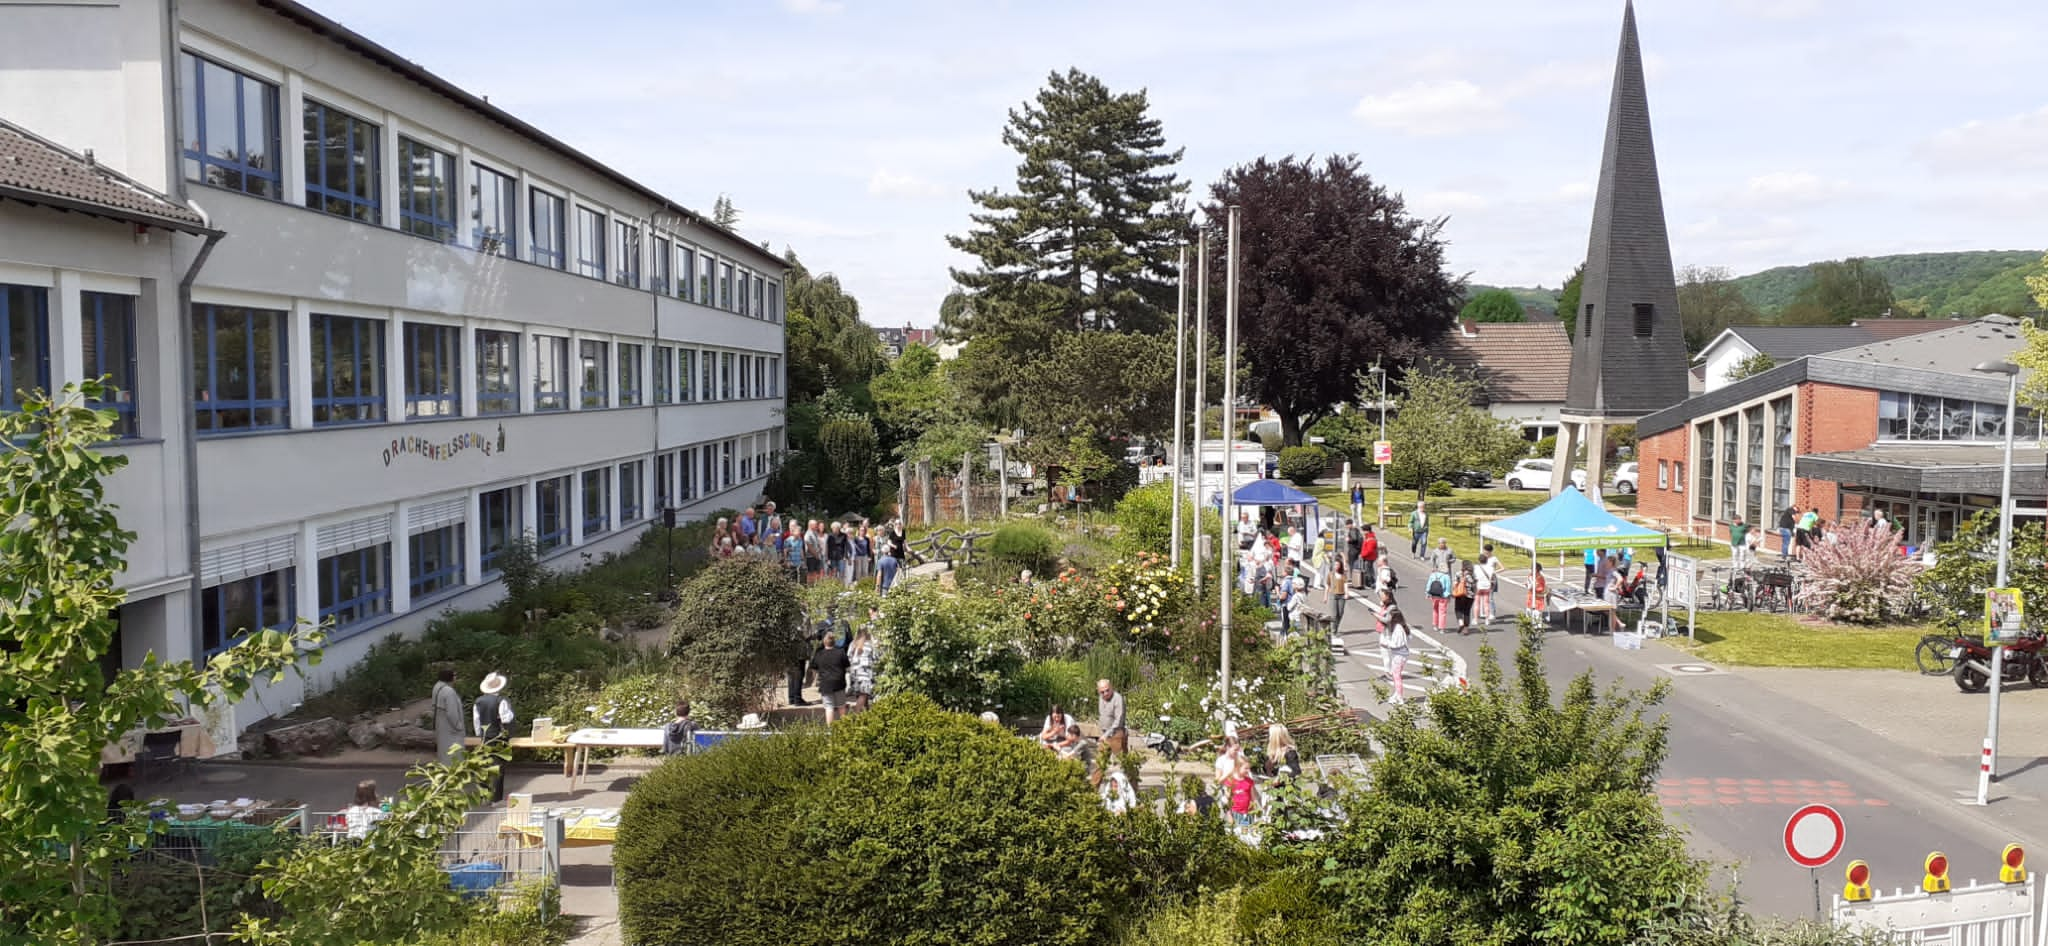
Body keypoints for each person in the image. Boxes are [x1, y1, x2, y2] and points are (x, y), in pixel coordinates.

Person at [473, 672, 514, 802]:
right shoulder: (500, 701)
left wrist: (479, 734)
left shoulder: (478, 702)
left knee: (484, 764)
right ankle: (496, 798)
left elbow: (476, 720)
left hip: (485, 736)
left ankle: (484, 794)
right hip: (498, 736)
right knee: (498, 766)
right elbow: (506, 718)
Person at [811, 630, 851, 724]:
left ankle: (831, 731)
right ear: (834, 641)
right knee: (841, 706)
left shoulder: (819, 654)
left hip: (825, 684)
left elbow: (813, 668)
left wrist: (819, 674)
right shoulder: (840, 652)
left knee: (829, 708)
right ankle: (844, 729)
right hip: (839, 683)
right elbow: (847, 666)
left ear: (824, 642)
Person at [431, 667, 465, 765]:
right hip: (450, 728)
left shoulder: (437, 686)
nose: (456, 678)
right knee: (453, 752)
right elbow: (452, 713)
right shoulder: (449, 691)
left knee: (443, 749)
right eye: (455, 675)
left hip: (440, 723)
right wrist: (459, 726)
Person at [1382, 605, 1412, 704]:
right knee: (1396, 674)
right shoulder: (1401, 626)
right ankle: (1396, 693)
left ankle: (1399, 696)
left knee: (1396, 675)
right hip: (1401, 654)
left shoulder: (1398, 628)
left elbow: (1397, 644)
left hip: (1399, 654)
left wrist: (1387, 644)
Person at [848, 625, 878, 713]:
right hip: (865, 673)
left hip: (854, 673)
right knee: (864, 695)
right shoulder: (869, 644)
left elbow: (849, 657)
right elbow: (875, 657)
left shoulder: (852, 644)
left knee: (861, 695)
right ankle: (856, 714)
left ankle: (865, 715)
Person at [1096, 678, 1128, 762]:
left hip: (1117, 733)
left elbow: (1118, 720)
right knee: (1100, 761)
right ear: (1099, 691)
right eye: (1102, 692)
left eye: (1107, 690)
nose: (1105, 693)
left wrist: (1106, 734)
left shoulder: (1118, 699)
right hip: (1105, 732)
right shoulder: (1101, 698)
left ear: (1111, 687)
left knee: (1120, 761)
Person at [1224, 759, 1258, 830]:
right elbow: (1227, 799)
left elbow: (1254, 798)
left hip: (1246, 813)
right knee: (1233, 833)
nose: (1248, 771)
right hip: (1234, 813)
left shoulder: (1249, 781)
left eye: (1249, 768)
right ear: (1237, 767)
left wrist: (1254, 811)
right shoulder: (1230, 781)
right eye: (1246, 768)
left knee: (1245, 833)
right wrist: (1229, 813)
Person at [1426, 559, 1454, 633]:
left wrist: (1427, 593)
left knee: (1435, 609)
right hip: (1443, 596)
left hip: (1434, 595)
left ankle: (1435, 625)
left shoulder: (1433, 575)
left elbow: (1429, 585)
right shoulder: (1446, 576)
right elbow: (1448, 587)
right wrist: (1448, 596)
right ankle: (1441, 627)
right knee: (1442, 612)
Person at [878, 522, 904, 595]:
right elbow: (899, 570)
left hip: (885, 586)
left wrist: (877, 586)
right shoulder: (894, 560)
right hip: (894, 585)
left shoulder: (881, 561)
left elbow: (879, 575)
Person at [1474, 544, 1497, 624]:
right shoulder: (1490, 568)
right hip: (1487, 587)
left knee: (1477, 603)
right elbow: (1492, 576)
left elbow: (1475, 577)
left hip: (1479, 587)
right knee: (1486, 603)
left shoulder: (1476, 567)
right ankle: (1487, 620)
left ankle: (1476, 619)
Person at [1452, 561, 1476, 634]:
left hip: (1460, 594)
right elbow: (1475, 585)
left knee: (1458, 609)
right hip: (1470, 595)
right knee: (1467, 611)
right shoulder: (1473, 575)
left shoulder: (1459, 573)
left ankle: (1460, 622)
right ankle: (1466, 628)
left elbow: (1455, 583)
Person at [1356, 525, 1379, 590]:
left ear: (1367, 531)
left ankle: (1371, 583)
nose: (1362, 532)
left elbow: (1369, 550)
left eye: (1363, 531)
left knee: (1368, 571)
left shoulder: (1370, 539)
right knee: (1369, 570)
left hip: (1369, 558)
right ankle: (1370, 582)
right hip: (1368, 557)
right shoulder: (1369, 537)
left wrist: (1362, 555)